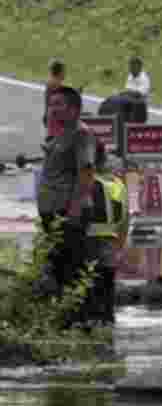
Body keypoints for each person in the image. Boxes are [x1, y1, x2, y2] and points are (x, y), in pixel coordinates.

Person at [35, 86, 99, 327]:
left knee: (71, 267)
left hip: (68, 213)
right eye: (51, 104)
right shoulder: (61, 133)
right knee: (58, 266)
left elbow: (86, 172)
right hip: (53, 212)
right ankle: (63, 318)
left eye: (58, 104)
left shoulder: (81, 134)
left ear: (73, 109)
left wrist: (74, 209)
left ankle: (79, 320)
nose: (52, 109)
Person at [81, 141, 130, 328]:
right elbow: (125, 219)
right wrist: (119, 246)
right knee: (107, 300)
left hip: (88, 245)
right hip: (110, 245)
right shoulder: (118, 184)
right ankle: (107, 331)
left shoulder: (86, 183)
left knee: (87, 297)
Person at [43, 59, 66, 142]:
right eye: (63, 71)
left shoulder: (53, 82)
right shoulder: (54, 83)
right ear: (59, 72)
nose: (65, 73)